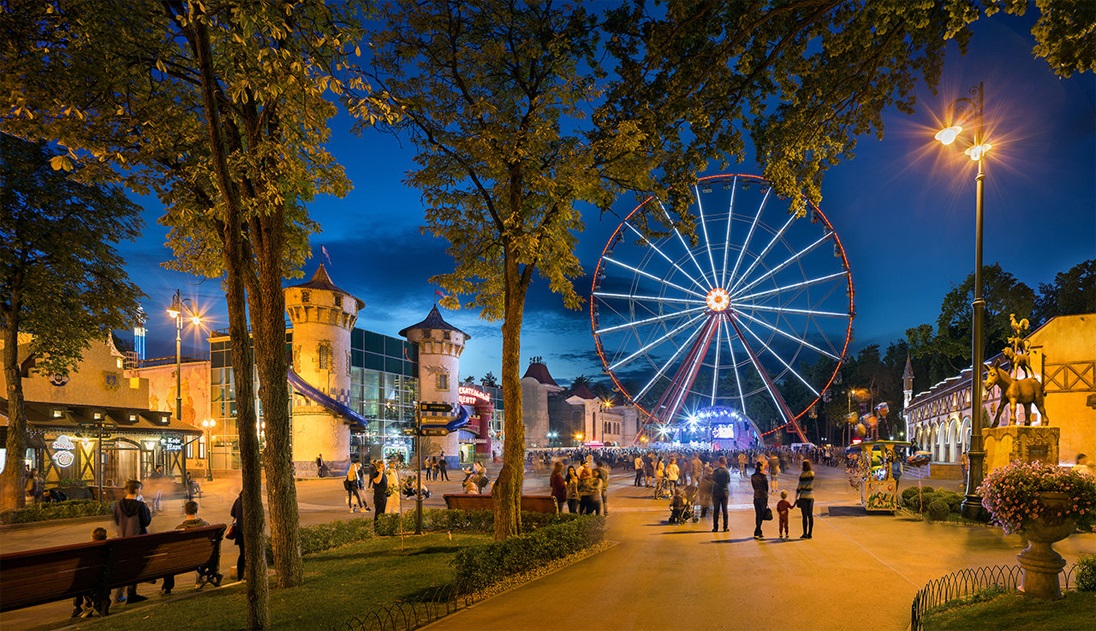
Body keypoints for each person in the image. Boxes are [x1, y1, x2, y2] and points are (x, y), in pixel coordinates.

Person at [113, 479, 152, 604]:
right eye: (140, 489)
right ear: (136, 490)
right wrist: (146, 507)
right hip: (138, 540)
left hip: (123, 539)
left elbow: (117, 521)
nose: (141, 491)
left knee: (125, 567)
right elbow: (146, 522)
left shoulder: (118, 505)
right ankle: (132, 594)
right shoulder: (140, 506)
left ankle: (119, 596)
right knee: (134, 567)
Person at [160, 500, 210, 595]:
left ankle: (167, 587)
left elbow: (173, 550)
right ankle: (200, 578)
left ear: (185, 512)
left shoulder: (179, 529)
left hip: (184, 561)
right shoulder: (206, 525)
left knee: (167, 562)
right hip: (203, 558)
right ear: (197, 511)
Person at [72, 527, 109, 618]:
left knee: (79, 580)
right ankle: (91, 605)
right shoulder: (108, 549)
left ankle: (78, 607)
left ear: (92, 539)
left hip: (92, 581)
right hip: (107, 578)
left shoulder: (89, 550)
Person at [711, 457, 731, 532]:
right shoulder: (726, 472)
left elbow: (713, 480)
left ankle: (715, 527)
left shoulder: (716, 471)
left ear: (719, 462)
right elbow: (728, 481)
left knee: (716, 510)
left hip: (716, 492)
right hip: (724, 492)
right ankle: (725, 527)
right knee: (725, 510)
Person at [796, 460, 815, 539]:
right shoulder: (812, 473)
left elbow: (799, 486)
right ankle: (810, 533)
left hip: (803, 497)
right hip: (811, 496)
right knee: (810, 515)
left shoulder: (802, 475)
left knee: (804, 516)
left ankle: (804, 533)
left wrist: (796, 496)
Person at [229, 490, 246, 581]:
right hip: (248, 532)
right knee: (248, 554)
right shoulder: (251, 501)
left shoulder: (238, 500)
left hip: (239, 531)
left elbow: (232, 513)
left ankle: (240, 575)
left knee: (242, 554)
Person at [750, 461, 768, 540]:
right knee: (761, 514)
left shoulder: (753, 476)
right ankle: (757, 530)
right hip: (763, 497)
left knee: (758, 514)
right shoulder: (763, 476)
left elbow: (753, 486)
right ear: (760, 467)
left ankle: (758, 531)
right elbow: (766, 488)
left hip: (756, 496)